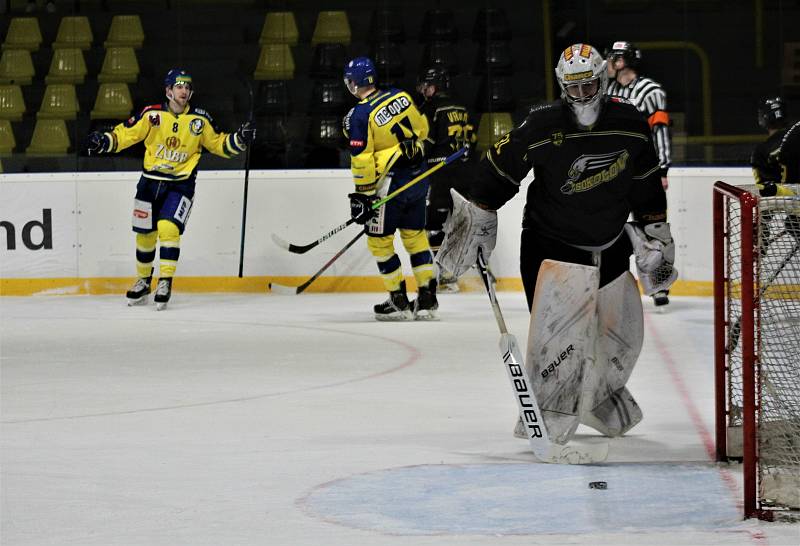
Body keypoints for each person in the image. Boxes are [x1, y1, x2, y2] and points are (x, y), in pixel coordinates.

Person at [436, 43, 676, 443]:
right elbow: (498, 168)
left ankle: (601, 395)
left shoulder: (629, 122)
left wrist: (656, 232)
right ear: (563, 86)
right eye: (573, 88)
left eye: (588, 86)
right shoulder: (543, 124)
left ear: (602, 79)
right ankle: (549, 412)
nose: (581, 96)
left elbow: (646, 180)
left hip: (612, 241)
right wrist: (477, 217)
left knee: (624, 336)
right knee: (560, 342)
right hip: (551, 245)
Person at [85, 68, 255, 310]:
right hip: (149, 182)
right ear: (168, 91)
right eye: (179, 86)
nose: (184, 90)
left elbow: (218, 144)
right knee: (144, 234)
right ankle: (144, 281)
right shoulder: (151, 115)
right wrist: (104, 141)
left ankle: (165, 281)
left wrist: (239, 139)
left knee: (168, 227)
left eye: (187, 87)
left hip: (181, 184)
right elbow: (126, 135)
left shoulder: (200, 120)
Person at [342, 56, 438, 321]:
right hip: (419, 177)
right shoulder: (401, 95)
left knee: (380, 242)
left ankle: (398, 300)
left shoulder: (359, 115)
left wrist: (363, 195)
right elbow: (422, 129)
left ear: (354, 83)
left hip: (390, 184)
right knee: (416, 236)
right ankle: (427, 299)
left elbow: (361, 159)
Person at [606, 40, 672, 307]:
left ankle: (660, 286)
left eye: (613, 58)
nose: (609, 62)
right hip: (615, 175)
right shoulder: (606, 90)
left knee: (656, 230)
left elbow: (660, 131)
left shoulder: (651, 91)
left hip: (645, 173)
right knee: (611, 230)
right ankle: (614, 283)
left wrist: (663, 168)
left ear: (623, 61)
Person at [415, 66, 476, 293]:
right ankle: (473, 269)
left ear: (436, 86)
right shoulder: (462, 107)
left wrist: (411, 160)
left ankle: (444, 275)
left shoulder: (432, 108)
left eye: (426, 86)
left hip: (441, 173)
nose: (423, 90)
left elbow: (427, 143)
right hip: (465, 172)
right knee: (458, 224)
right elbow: (473, 139)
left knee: (434, 224)